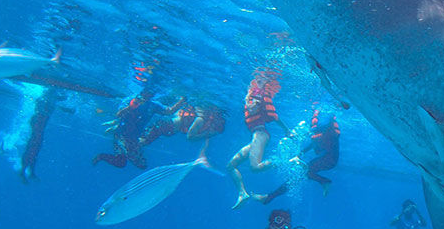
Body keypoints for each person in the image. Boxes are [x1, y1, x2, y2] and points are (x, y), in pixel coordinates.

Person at [228, 71, 289, 208]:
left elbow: (270, 115)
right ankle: (242, 193)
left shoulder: (258, 96)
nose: (258, 82)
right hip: (255, 136)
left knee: (255, 167)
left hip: (261, 134)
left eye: (262, 80)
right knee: (231, 166)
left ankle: (285, 161)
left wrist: (287, 131)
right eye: (258, 80)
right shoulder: (253, 96)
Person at [92, 87, 184, 169]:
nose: (148, 95)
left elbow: (169, 112)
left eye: (151, 94)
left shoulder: (153, 105)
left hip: (134, 137)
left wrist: (182, 100)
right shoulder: (130, 100)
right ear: (142, 92)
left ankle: (101, 156)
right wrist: (130, 107)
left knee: (138, 164)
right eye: (147, 93)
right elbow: (119, 114)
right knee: (121, 162)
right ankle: (101, 156)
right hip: (121, 135)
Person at [19, 89, 64, 183]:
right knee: (32, 150)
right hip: (37, 131)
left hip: (38, 132)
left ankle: (29, 172)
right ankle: (24, 171)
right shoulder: (43, 102)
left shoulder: (47, 102)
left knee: (34, 151)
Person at [139, 102, 225, 147]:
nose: (213, 129)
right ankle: (136, 144)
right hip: (167, 125)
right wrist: (207, 134)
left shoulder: (205, 120)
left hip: (168, 126)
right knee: (144, 140)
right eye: (215, 128)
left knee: (145, 138)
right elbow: (190, 137)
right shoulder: (201, 120)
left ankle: (137, 142)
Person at [299, 108, 340, 194]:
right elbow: (313, 144)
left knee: (306, 172)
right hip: (330, 160)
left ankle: (325, 181)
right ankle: (324, 181)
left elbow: (314, 144)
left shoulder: (327, 134)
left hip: (328, 160)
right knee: (305, 171)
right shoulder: (328, 134)